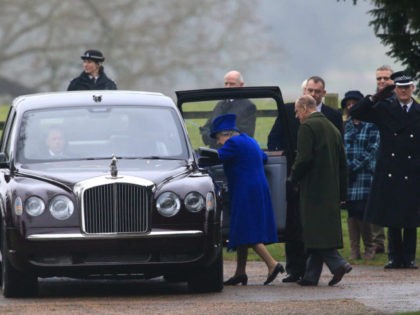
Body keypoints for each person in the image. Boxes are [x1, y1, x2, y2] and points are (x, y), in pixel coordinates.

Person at [349, 71, 420, 269]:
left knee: (411, 218)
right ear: (395, 89)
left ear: (412, 88)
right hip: (391, 168)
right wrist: (375, 97)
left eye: (407, 87)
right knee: (393, 215)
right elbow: (356, 113)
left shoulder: (418, 111)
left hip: (413, 169)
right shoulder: (385, 108)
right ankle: (394, 257)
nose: (404, 91)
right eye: (400, 87)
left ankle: (409, 258)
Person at [211, 113, 284, 286]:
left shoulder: (233, 144)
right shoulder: (250, 141)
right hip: (259, 188)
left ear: (226, 134)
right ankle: (240, 273)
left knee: (246, 228)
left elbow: (215, 157)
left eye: (218, 137)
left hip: (245, 190)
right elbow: (264, 158)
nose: (218, 142)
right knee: (243, 228)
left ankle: (272, 264)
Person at [288, 95, 351, 286]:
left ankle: (338, 264)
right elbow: (342, 163)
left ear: (305, 109)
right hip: (331, 188)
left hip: (313, 188)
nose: (297, 117)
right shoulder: (333, 128)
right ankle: (310, 276)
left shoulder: (307, 127)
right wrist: (342, 192)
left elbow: (304, 158)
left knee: (314, 231)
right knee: (317, 231)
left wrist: (293, 176)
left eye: (297, 112)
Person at [342, 90, 379, 260]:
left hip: (365, 174)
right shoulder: (346, 125)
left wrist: (355, 166)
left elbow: (373, 150)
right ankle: (354, 249)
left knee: (364, 210)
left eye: (354, 103)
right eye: (348, 104)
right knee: (352, 212)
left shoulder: (371, 125)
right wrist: (347, 167)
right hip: (349, 175)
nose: (351, 106)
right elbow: (342, 148)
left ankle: (370, 246)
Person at [366, 65, 395, 254]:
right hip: (372, 155)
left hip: (391, 157)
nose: (382, 81)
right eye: (379, 79)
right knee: (375, 200)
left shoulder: (397, 100)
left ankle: (392, 244)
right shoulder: (373, 101)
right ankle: (377, 242)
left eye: (385, 78)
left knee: (392, 201)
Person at [200, 70, 256, 148]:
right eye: (226, 83)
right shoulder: (219, 104)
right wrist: (213, 137)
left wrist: (217, 137)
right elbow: (206, 127)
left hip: (235, 152)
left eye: (232, 84)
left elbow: (245, 134)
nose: (228, 87)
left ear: (241, 85)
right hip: (215, 153)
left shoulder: (248, 106)